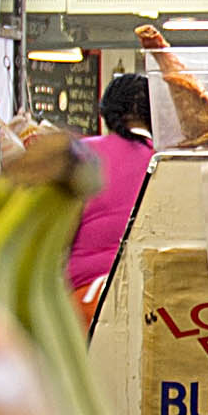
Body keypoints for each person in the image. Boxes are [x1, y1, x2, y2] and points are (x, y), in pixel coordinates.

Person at [66, 70, 154, 294]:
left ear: (105, 111)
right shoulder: (166, 159)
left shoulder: (83, 152)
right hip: (150, 294)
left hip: (84, 296)